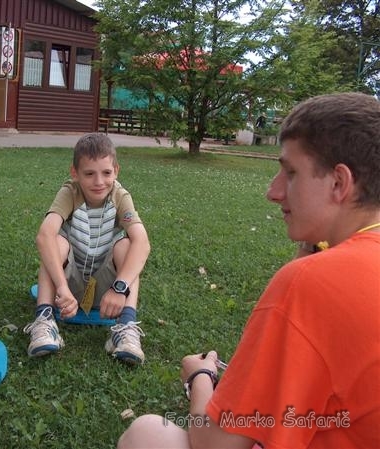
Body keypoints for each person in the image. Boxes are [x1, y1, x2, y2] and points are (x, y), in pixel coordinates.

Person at [117, 92, 380, 448]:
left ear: (339, 183)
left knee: (148, 433)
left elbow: (217, 443)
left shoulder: (312, 283)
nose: (273, 191)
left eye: (290, 173)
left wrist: (200, 378)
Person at [24, 132, 151, 365]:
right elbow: (44, 236)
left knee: (127, 246)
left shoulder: (120, 196)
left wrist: (119, 288)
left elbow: (142, 242)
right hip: (67, 286)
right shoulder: (70, 192)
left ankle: (125, 327)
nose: (99, 182)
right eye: (89, 174)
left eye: (106, 173)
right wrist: (62, 287)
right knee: (56, 242)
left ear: (116, 171)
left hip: (109, 288)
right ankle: (44, 320)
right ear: (75, 173)